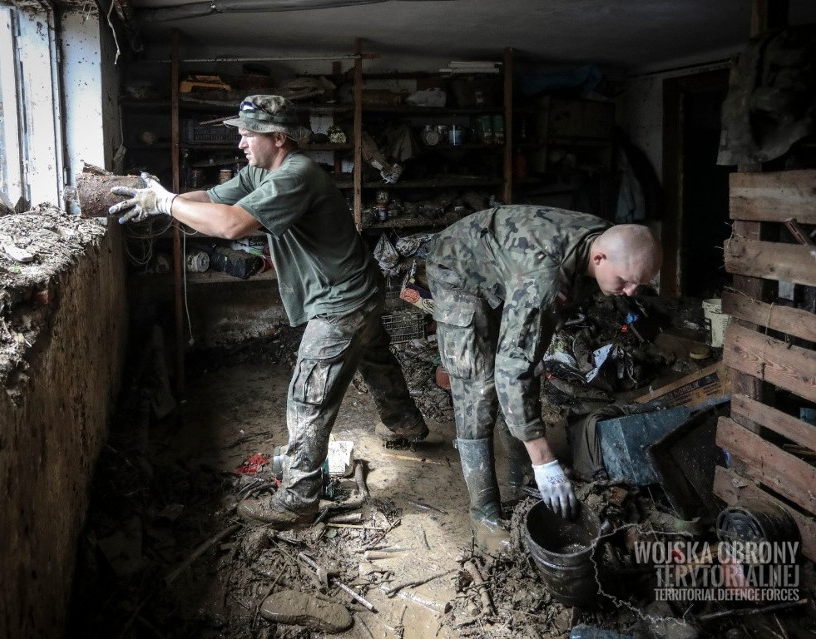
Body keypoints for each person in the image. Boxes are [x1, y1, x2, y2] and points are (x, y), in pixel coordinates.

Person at [109, 94, 429, 527]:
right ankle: (407, 426)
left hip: (342, 301)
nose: (240, 143)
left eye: (248, 135)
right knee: (375, 359)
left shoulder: (296, 175)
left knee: (308, 396)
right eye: (240, 134)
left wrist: (165, 206)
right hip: (360, 287)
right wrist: (166, 195)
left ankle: (297, 503)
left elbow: (230, 224)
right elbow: (215, 199)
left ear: (279, 137)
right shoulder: (262, 169)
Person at [425, 205, 662, 555]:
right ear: (599, 258)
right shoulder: (544, 280)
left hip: (505, 263)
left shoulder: (606, 240)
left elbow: (525, 357)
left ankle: (519, 476)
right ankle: (484, 515)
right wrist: (545, 460)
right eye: (625, 282)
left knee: (527, 363)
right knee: (479, 386)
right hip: (457, 267)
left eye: (637, 285)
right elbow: (510, 368)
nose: (629, 291)